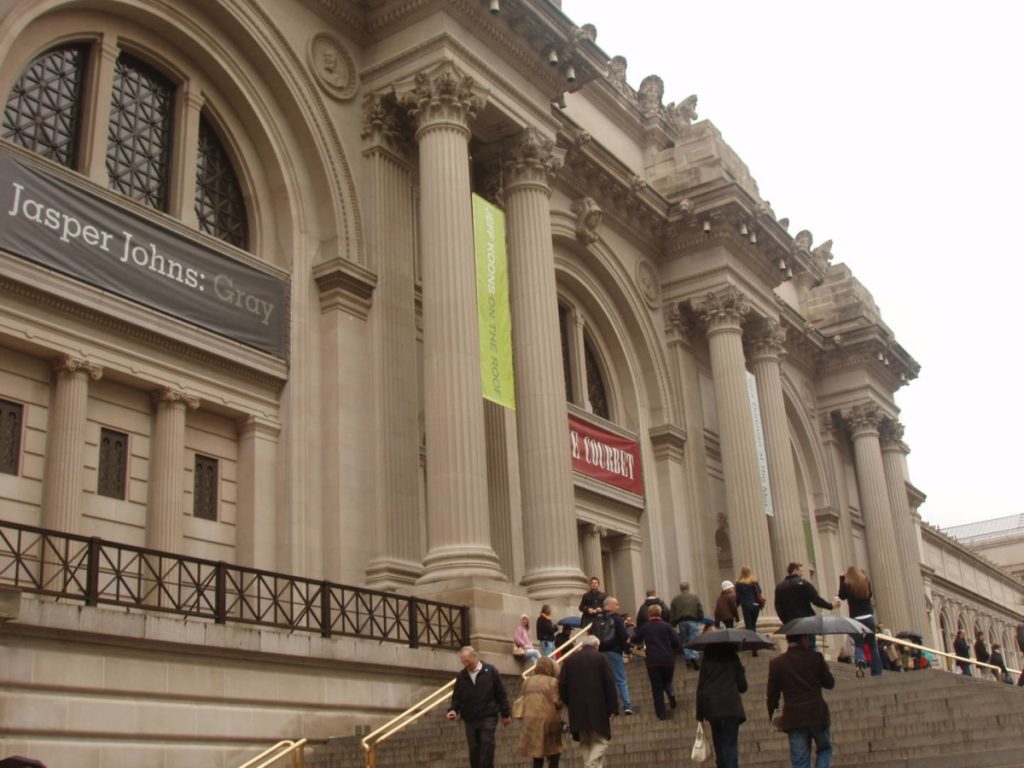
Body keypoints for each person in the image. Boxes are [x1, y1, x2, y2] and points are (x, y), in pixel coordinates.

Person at [767, 634, 836, 768]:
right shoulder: (815, 658)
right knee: (825, 749)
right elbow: (830, 683)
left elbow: (772, 695)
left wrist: (772, 714)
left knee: (800, 761)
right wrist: (825, 669)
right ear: (803, 639)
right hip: (817, 714)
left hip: (794, 717)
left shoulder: (777, 664)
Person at [558, 634, 618, 768]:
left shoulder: (569, 661)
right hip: (598, 708)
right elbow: (609, 684)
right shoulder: (601, 658)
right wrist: (613, 708)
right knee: (601, 741)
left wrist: (570, 703)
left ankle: (591, 765)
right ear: (596, 646)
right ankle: (590, 765)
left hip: (576, 708)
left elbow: (562, 686)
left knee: (585, 741)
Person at [446, 646, 512, 768]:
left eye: (467, 660)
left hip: (488, 716)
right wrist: (453, 710)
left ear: (474, 657)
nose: (465, 664)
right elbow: (456, 697)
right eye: (463, 661)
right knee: (474, 750)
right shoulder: (461, 676)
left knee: (486, 746)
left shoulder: (490, 671)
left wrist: (506, 713)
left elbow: (501, 693)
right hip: (470, 718)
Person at [696, 643, 748, 768]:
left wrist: (699, 714)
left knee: (719, 742)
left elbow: (701, 689)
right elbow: (743, 687)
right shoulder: (733, 660)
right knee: (730, 743)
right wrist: (741, 672)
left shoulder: (706, 663)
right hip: (731, 707)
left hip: (713, 708)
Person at [631, 604, 682, 720]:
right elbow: (676, 642)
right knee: (667, 680)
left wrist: (634, 645)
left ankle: (661, 713)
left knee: (656, 687)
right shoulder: (667, 626)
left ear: (649, 614)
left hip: (653, 661)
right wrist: (671, 650)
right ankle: (671, 694)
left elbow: (635, 639)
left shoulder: (645, 627)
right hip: (668, 659)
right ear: (660, 613)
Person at [775, 562, 840, 649]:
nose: (802, 574)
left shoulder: (780, 587)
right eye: (801, 571)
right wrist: (831, 605)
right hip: (806, 621)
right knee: (810, 646)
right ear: (795, 570)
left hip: (791, 623)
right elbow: (816, 600)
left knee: (794, 647)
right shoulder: (804, 584)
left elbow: (778, 606)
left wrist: (785, 620)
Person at [517, 655, 563, 768]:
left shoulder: (527, 682)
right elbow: (557, 702)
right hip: (549, 722)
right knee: (553, 753)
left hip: (531, 722)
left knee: (537, 754)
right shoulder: (552, 682)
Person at [837, 566, 882, 676]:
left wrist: (842, 579)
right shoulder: (865, 581)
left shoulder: (848, 584)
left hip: (856, 618)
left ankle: (860, 660)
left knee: (858, 644)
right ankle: (877, 671)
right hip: (869, 617)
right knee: (872, 645)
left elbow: (841, 596)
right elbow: (870, 594)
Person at [594, 596, 634, 715]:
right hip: (615, 651)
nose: (618, 607)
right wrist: (627, 651)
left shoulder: (597, 619)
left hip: (601, 653)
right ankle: (627, 705)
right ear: (609, 605)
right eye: (616, 604)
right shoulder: (617, 619)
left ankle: (608, 708)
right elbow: (623, 636)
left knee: (605, 680)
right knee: (621, 679)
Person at [670, 581, 704, 670]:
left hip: (681, 622)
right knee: (694, 639)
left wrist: (673, 623)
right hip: (692, 620)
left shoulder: (675, 599)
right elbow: (699, 608)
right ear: (688, 587)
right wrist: (700, 618)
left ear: (680, 589)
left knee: (685, 640)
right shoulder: (694, 597)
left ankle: (688, 658)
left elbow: (672, 612)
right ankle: (694, 656)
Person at [734, 565, 764, 633]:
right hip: (756, 605)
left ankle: (752, 639)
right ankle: (755, 637)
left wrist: (736, 605)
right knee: (754, 624)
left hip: (746, 606)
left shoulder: (739, 583)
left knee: (749, 626)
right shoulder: (754, 581)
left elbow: (738, 597)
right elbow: (759, 591)